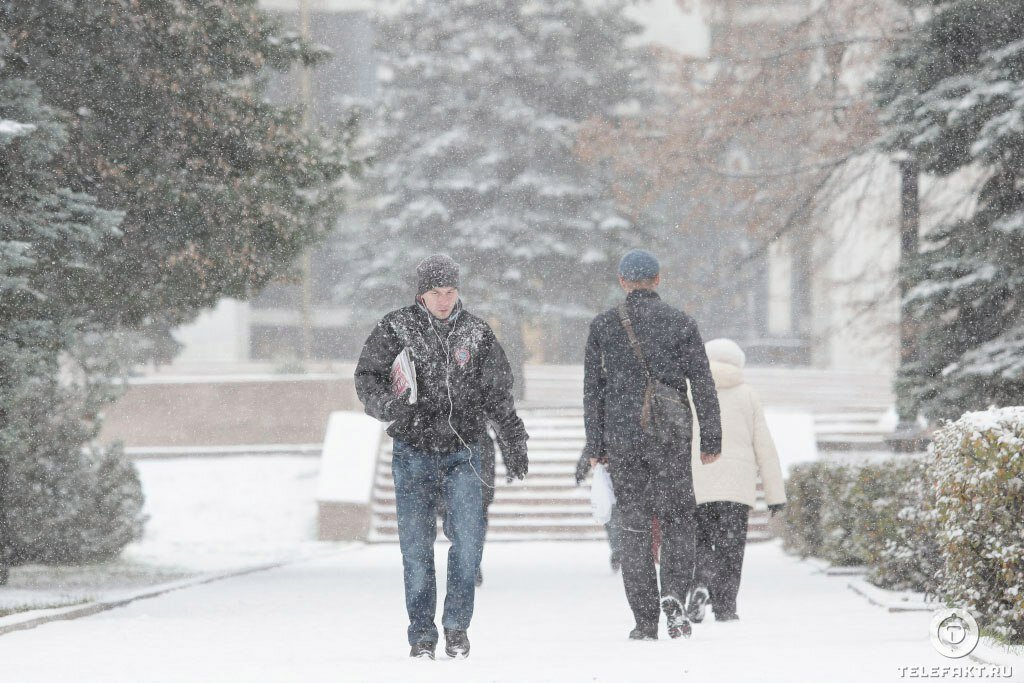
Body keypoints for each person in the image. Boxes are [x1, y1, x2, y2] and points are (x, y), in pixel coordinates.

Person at [354, 254, 529, 660]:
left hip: (464, 451)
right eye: (437, 293)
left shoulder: (477, 333)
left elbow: (499, 394)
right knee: (416, 549)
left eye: (451, 291)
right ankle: (421, 634)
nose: (445, 299)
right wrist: (390, 406)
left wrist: (513, 441)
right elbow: (366, 376)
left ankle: (456, 627)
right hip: (413, 451)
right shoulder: (397, 328)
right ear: (422, 294)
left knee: (468, 544)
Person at [582, 249, 722, 641]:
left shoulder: (604, 325)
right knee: (679, 519)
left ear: (623, 281)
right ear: (658, 280)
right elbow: (703, 383)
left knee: (634, 525)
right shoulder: (681, 323)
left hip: (623, 437)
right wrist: (711, 438)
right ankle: (673, 594)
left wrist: (595, 444)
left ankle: (644, 620)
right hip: (671, 434)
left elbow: (592, 390)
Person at [686, 338, 787, 623]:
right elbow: (764, 447)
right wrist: (775, 495)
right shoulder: (747, 395)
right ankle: (726, 606)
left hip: (699, 480)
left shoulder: (692, 390)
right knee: (731, 549)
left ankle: (701, 584)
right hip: (737, 488)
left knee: (701, 542)